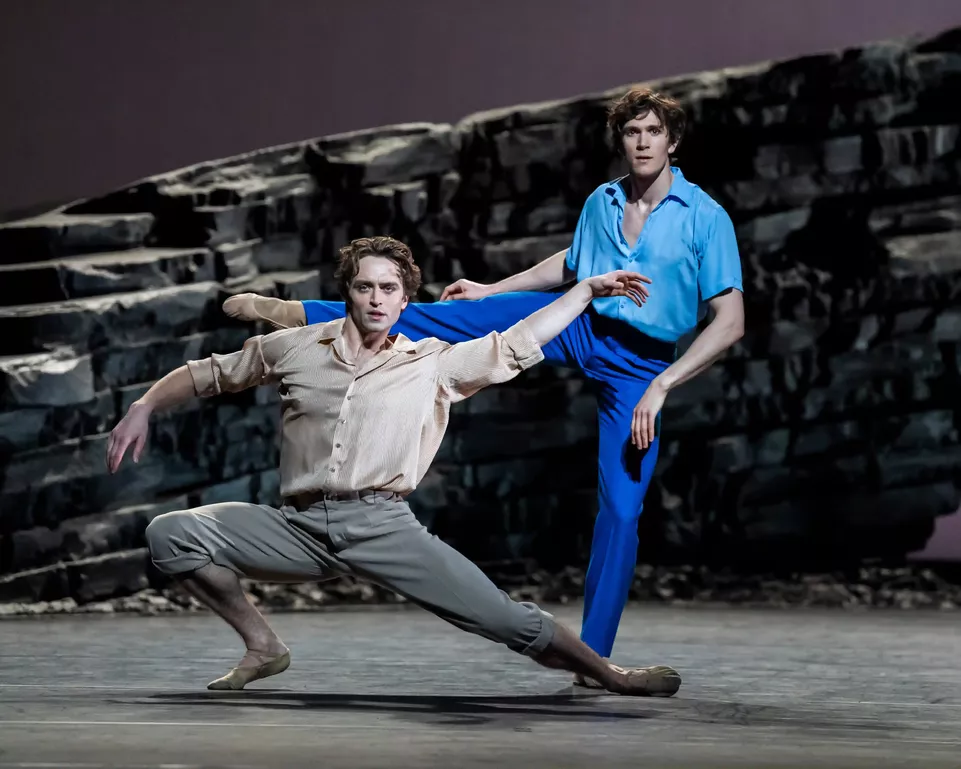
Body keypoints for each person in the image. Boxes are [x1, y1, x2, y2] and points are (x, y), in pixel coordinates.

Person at [223, 87, 745, 686]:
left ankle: (592, 660)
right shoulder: (602, 200)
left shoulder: (705, 216)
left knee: (622, 512)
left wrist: (662, 387)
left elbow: (729, 321)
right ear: (621, 141)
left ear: (673, 142)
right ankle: (300, 314)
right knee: (452, 318)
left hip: (641, 365)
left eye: (654, 132)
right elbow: (572, 264)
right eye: (633, 132)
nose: (643, 142)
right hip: (582, 321)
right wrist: (494, 291)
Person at [106, 235, 681, 697]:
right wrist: (144, 406)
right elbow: (209, 373)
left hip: (382, 526)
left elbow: (516, 343)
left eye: (389, 289)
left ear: (406, 301)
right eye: (365, 287)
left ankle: (610, 674)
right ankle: (264, 646)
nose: (377, 299)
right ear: (348, 293)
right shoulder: (297, 347)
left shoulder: (431, 364)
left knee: (504, 620)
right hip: (298, 526)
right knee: (172, 534)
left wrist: (583, 291)